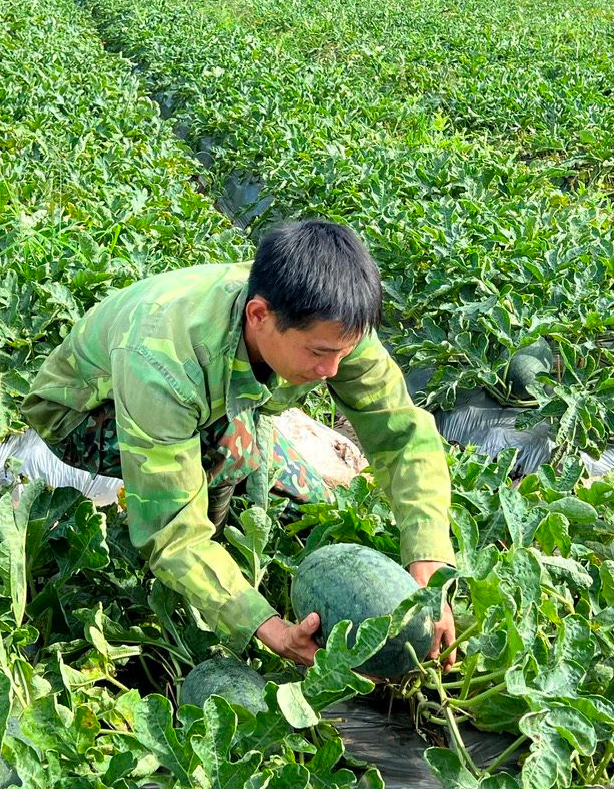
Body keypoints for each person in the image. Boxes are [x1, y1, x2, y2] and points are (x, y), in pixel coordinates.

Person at [22, 220, 457, 669]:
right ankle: (208, 557)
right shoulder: (163, 368)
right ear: (258, 316)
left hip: (206, 398)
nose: (332, 370)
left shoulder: (332, 323)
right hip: (81, 415)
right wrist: (262, 624)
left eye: (342, 355)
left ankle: (221, 514)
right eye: (318, 354)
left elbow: (403, 434)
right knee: (231, 456)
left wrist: (429, 557)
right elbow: (172, 530)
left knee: (310, 499)